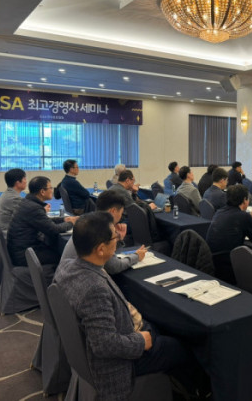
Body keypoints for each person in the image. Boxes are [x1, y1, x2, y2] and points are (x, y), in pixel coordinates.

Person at [54, 211, 192, 401]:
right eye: (114, 237)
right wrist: (140, 342)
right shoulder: (94, 288)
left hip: (109, 342)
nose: (118, 239)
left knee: (160, 326)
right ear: (100, 249)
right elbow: (104, 345)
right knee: (182, 346)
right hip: (119, 365)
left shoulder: (67, 266)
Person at [59, 190, 147, 274]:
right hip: (80, 278)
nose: (121, 217)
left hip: (67, 275)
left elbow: (108, 257)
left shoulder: (90, 221)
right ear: (113, 211)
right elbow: (114, 266)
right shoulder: (100, 228)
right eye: (121, 213)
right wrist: (137, 256)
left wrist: (117, 239)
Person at [7, 176, 77, 267]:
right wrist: (71, 223)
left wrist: (64, 219)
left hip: (20, 249)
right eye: (50, 188)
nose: (52, 190)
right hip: (24, 255)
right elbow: (54, 229)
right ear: (42, 192)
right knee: (64, 256)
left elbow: (45, 221)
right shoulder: (34, 208)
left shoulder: (27, 202)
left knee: (54, 247)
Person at [206, 185, 252, 282]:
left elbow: (236, 222)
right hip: (229, 265)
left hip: (213, 262)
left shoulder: (219, 212)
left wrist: (251, 216)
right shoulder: (244, 216)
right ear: (244, 200)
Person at [109, 170, 160, 243]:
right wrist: (149, 207)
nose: (134, 184)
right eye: (133, 181)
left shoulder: (114, 187)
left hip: (111, 222)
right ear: (128, 180)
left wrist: (134, 192)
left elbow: (132, 204)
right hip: (120, 223)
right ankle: (150, 241)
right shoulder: (122, 192)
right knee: (143, 219)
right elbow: (134, 211)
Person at [0, 168, 27, 233]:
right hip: (8, 234)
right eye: (24, 179)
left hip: (4, 232)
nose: (26, 181)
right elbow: (29, 214)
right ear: (18, 183)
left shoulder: (7, 193)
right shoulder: (14, 198)